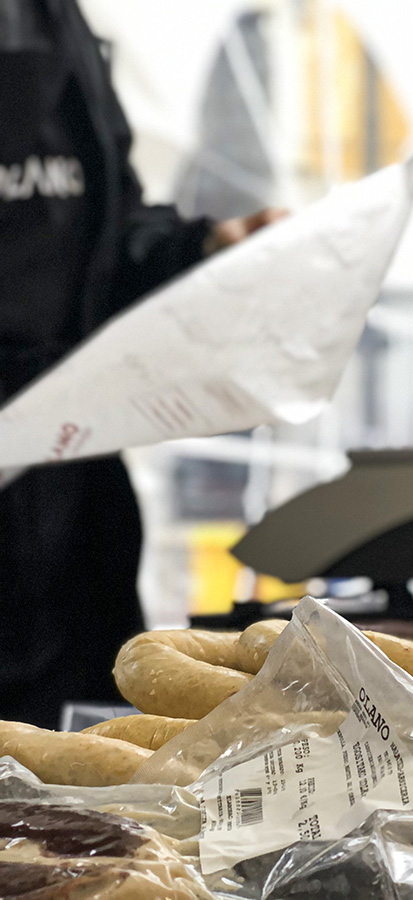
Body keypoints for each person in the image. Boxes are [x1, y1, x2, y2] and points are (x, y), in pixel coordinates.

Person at [1, 0, 282, 728]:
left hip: (70, 511)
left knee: (71, 792)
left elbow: (111, 236)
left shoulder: (59, 25)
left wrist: (203, 250)